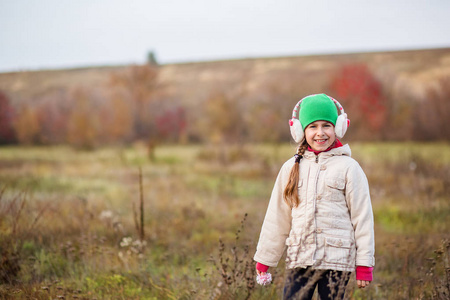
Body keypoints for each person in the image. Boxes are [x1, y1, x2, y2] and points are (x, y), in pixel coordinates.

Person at [254, 94, 375, 299]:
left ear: (338, 127)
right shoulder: (291, 168)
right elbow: (277, 217)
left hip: (337, 260)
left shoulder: (349, 168)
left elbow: (362, 218)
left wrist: (364, 264)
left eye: (326, 125)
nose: (320, 133)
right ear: (300, 130)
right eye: (313, 126)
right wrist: (266, 259)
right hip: (300, 257)